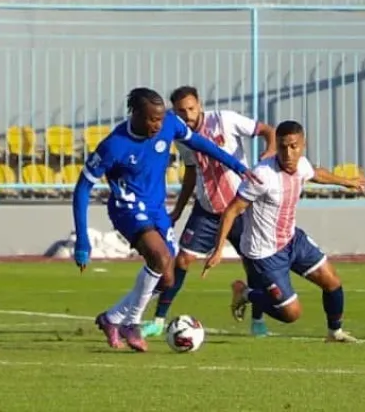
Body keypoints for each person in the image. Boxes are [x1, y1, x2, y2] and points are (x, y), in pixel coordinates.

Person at [72, 87, 260, 352]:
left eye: (160, 119)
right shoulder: (113, 145)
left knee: (168, 279)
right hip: (127, 209)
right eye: (151, 119)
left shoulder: (169, 123)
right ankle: (131, 324)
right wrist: (82, 239)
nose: (157, 124)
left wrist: (237, 166)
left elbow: (201, 143)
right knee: (159, 259)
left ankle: (111, 318)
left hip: (157, 210)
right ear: (135, 113)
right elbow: (82, 189)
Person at [203, 120, 365, 343]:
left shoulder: (301, 165)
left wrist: (346, 182)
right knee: (291, 314)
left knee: (332, 282)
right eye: (282, 147)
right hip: (264, 254)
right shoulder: (262, 176)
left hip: (292, 240)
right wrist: (218, 249)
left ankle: (334, 332)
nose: (288, 153)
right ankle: (244, 292)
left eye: (294, 146)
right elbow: (232, 211)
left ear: (303, 145)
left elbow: (315, 173)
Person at [141, 86, 277, 339]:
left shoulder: (225, 119)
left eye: (191, 108)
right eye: (181, 111)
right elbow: (192, 172)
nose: (188, 115)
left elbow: (267, 130)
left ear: (200, 104)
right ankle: (159, 320)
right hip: (208, 210)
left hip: (240, 208)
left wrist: (269, 149)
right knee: (182, 261)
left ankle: (257, 320)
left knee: (255, 265)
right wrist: (179, 209)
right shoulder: (181, 136)